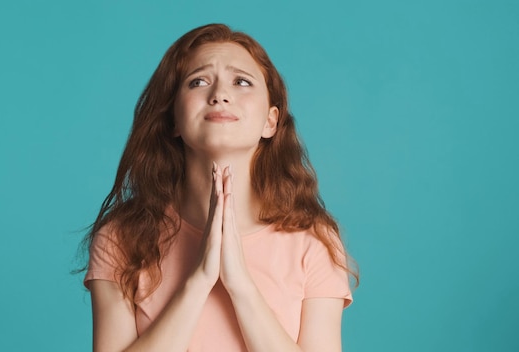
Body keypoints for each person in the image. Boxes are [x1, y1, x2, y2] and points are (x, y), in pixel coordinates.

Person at [80, 23, 358, 352]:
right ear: (173, 121)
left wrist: (240, 284)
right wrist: (198, 281)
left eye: (241, 81)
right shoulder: (121, 238)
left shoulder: (314, 242)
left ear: (271, 121)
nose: (219, 95)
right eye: (198, 81)